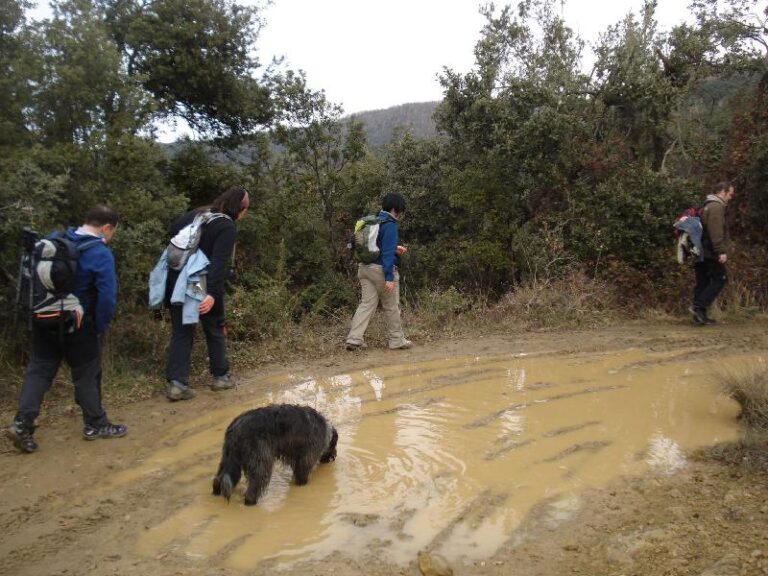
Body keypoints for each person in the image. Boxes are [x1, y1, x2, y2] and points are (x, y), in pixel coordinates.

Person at [6, 204, 127, 453]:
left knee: (39, 371)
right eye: (112, 231)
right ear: (105, 227)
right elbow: (106, 297)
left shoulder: (55, 239)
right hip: (79, 323)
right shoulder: (100, 253)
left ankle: (22, 423)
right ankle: (95, 424)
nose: (111, 236)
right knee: (86, 373)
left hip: (43, 317)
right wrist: (99, 326)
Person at [164, 186, 250, 401]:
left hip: (177, 280)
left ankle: (177, 384)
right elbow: (219, 263)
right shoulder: (226, 226)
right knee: (215, 327)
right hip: (202, 284)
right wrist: (212, 294)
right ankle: (221, 377)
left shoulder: (200, 214)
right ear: (241, 209)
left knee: (182, 331)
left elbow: (172, 230)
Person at [345, 192, 412, 351]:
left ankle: (354, 339)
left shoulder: (373, 221)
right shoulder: (390, 225)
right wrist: (389, 277)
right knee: (391, 305)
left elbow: (377, 246)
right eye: (400, 211)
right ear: (395, 209)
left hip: (364, 269)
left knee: (366, 304)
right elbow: (387, 254)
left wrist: (396, 248)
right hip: (381, 271)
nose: (400, 214)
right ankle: (396, 340)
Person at [690, 181, 735, 325]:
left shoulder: (706, 205)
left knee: (703, 282)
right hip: (710, 252)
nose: (730, 197)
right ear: (723, 192)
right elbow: (716, 232)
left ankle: (699, 316)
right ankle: (698, 307)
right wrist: (720, 251)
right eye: (730, 194)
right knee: (720, 278)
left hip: (700, 251)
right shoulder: (716, 207)